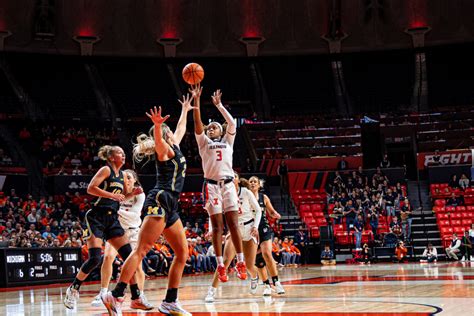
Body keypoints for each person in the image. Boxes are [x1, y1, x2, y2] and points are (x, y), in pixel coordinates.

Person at [103, 94, 194, 316]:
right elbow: (160, 141)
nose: (174, 132)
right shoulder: (165, 150)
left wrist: (186, 110)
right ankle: (116, 295)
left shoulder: (176, 146)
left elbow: (180, 128)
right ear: (165, 135)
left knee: (182, 253)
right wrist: (156, 126)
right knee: (141, 250)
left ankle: (170, 301)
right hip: (159, 201)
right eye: (169, 131)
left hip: (171, 204)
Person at [63, 146, 142, 310]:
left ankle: (136, 296)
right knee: (95, 259)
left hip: (112, 218)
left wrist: (132, 194)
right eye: (119, 152)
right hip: (96, 217)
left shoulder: (122, 175)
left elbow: (121, 198)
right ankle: (73, 288)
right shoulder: (106, 170)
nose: (123, 154)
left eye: (123, 152)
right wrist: (112, 195)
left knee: (129, 257)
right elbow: (90, 188)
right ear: (112, 157)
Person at [192, 85, 246, 282]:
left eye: (215, 126)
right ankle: (221, 265)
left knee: (233, 224)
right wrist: (197, 101)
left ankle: (240, 262)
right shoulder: (204, 142)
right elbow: (197, 123)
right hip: (212, 186)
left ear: (221, 130)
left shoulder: (228, 141)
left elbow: (232, 123)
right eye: (210, 127)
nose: (211, 128)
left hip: (229, 185)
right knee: (217, 228)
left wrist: (219, 105)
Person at [90, 170, 151, 309]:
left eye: (129, 177)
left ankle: (139, 295)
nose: (126, 180)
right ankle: (103, 293)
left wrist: (115, 210)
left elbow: (134, 215)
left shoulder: (139, 194)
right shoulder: (116, 192)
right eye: (124, 177)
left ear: (135, 180)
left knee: (137, 266)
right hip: (117, 230)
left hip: (134, 231)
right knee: (108, 258)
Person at [205, 173, 262, 302]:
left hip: (249, 228)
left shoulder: (246, 192)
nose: (231, 179)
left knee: (249, 265)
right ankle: (211, 291)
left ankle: (254, 277)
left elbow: (258, 210)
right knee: (225, 261)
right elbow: (213, 214)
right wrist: (210, 230)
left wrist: (256, 226)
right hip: (234, 230)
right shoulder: (222, 194)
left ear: (237, 180)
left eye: (234, 177)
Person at [249, 176, 285, 296]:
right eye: (251, 182)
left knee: (267, 254)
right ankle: (266, 285)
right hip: (250, 230)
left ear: (259, 185)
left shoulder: (263, 197)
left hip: (263, 228)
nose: (253, 183)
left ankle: (277, 282)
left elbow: (271, 211)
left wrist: (276, 215)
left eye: (255, 181)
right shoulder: (245, 198)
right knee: (258, 262)